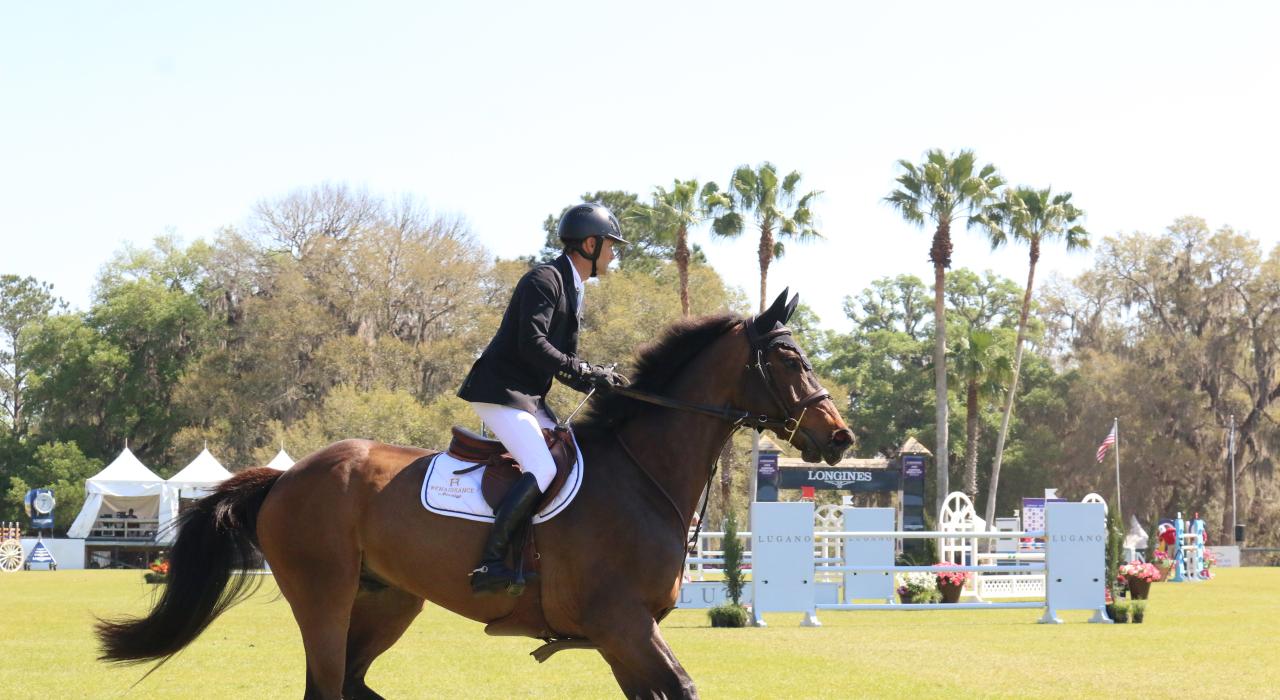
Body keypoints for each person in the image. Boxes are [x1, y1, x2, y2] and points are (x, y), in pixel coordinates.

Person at [457, 203, 629, 595]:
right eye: (610, 246)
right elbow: (533, 344)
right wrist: (584, 370)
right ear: (589, 244)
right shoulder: (545, 279)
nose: (613, 254)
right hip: (500, 392)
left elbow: (552, 361)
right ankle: (490, 563)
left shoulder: (572, 286)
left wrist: (595, 382)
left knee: (572, 460)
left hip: (528, 397)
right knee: (542, 465)